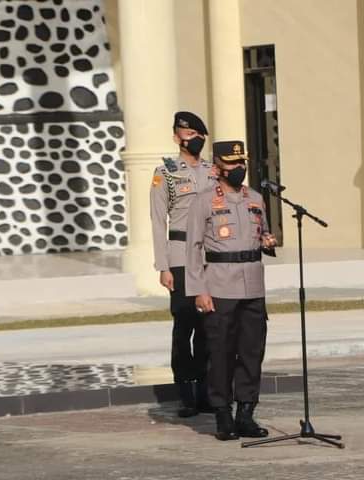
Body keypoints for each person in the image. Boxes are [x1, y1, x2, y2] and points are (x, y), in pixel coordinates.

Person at [185, 140, 277, 441]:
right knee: (221, 354)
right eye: (232, 164)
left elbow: (261, 232)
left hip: (253, 285)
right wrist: (199, 289)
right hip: (220, 286)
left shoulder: (256, 198)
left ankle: (246, 415)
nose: (239, 169)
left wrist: (267, 241)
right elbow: (193, 248)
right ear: (217, 167)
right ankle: (223, 416)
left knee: (252, 353)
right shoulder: (204, 201)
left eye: (242, 163)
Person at [150, 111, 215, 417]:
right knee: (184, 324)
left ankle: (204, 389)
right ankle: (185, 389)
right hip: (179, 254)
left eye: (198, 135)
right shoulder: (165, 172)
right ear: (177, 137)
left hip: (208, 256)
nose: (193, 140)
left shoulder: (213, 171)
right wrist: (163, 265)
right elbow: (156, 220)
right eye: (187, 135)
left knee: (207, 325)